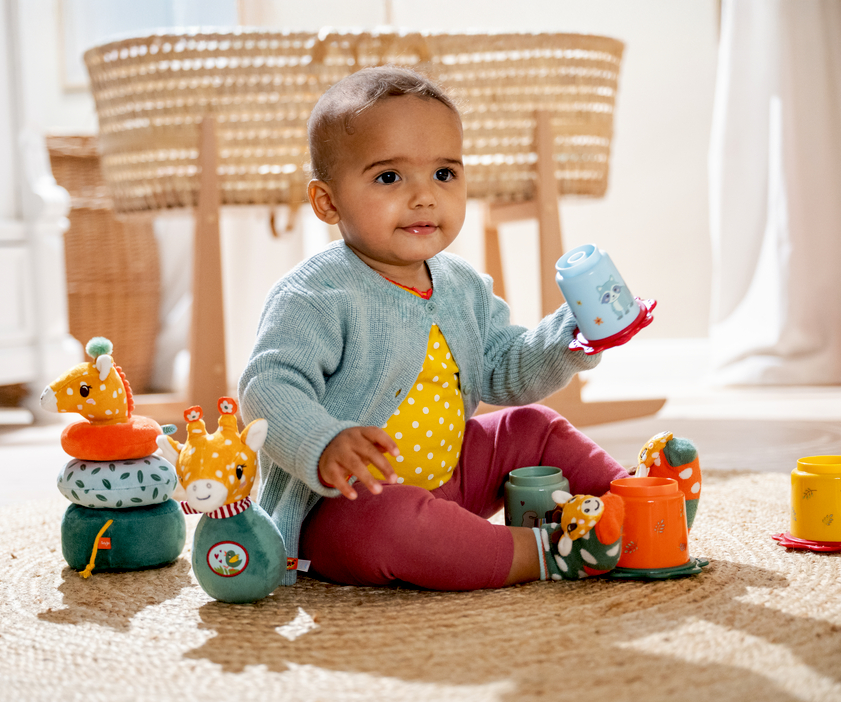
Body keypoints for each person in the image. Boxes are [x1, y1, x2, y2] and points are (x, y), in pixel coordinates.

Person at [239, 65, 629, 590]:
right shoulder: (316, 294)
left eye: (444, 174)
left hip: (454, 477)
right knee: (394, 528)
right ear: (327, 202)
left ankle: (634, 503)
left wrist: (574, 334)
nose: (424, 196)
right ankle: (545, 552)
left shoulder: (461, 283)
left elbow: (505, 367)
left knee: (530, 425)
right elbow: (267, 388)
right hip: (346, 507)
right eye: (389, 177)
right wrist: (323, 441)